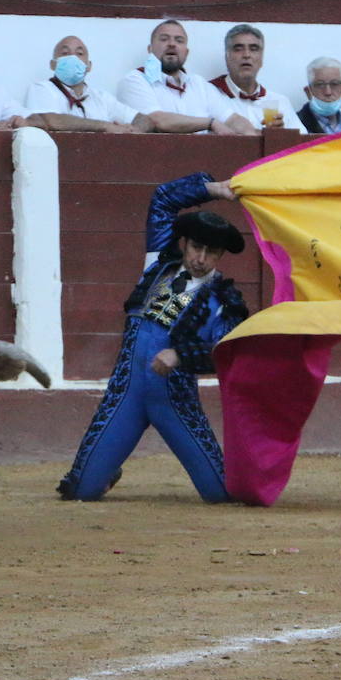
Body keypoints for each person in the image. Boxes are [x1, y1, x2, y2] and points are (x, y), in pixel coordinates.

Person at [56, 173, 248, 503]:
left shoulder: (224, 301)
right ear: (184, 243)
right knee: (81, 491)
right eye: (197, 248)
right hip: (125, 393)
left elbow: (226, 354)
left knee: (221, 493)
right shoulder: (157, 265)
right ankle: (105, 470)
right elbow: (162, 200)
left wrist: (182, 355)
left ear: (220, 256)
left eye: (211, 252)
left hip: (175, 402)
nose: (201, 259)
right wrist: (212, 189)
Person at [117, 20, 257, 135]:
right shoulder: (135, 80)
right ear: (150, 49)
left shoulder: (199, 84)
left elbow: (232, 119)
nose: (172, 44)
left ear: (186, 52)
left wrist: (252, 135)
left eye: (179, 40)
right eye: (164, 39)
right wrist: (210, 123)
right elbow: (155, 120)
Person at [24, 35, 154, 132]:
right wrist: (106, 126)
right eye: (65, 53)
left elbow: (144, 119)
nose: (73, 58)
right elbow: (49, 120)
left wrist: (134, 131)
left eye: (79, 53)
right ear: (53, 64)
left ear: (89, 66)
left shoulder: (101, 97)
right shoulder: (41, 88)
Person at [210, 24, 305, 131]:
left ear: (261, 57)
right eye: (238, 49)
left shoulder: (279, 101)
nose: (246, 55)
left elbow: (304, 145)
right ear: (227, 56)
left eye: (253, 49)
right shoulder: (209, 94)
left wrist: (282, 135)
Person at [296, 56, 341, 134]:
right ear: (308, 92)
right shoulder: (294, 125)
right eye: (320, 85)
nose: (328, 92)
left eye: (334, 84)